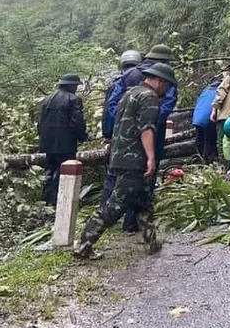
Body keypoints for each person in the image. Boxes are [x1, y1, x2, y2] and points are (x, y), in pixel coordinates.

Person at [73, 63, 177, 260]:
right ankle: (84, 245)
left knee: (143, 200)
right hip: (134, 159)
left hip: (120, 155)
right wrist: (151, 157)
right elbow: (147, 128)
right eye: (166, 86)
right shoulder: (149, 97)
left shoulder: (129, 94)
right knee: (115, 205)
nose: (166, 91)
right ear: (160, 81)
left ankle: (152, 242)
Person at [101, 44, 179, 232]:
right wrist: (149, 121)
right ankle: (130, 224)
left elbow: (112, 103)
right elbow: (166, 106)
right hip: (150, 137)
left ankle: (109, 218)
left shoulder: (128, 75)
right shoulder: (163, 79)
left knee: (114, 178)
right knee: (145, 178)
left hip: (121, 138)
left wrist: (121, 124)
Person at [37, 74, 87, 206]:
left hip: (48, 143)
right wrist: (83, 137)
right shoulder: (73, 99)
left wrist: (42, 139)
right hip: (66, 144)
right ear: (70, 85)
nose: (76, 88)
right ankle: (61, 203)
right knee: (65, 173)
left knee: (49, 172)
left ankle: (47, 202)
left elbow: (40, 122)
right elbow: (78, 121)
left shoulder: (47, 99)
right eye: (75, 85)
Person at [102, 50, 142, 136]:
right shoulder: (147, 79)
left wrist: (107, 133)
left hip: (120, 130)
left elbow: (108, 110)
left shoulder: (117, 84)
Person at [192, 77, 220, 163]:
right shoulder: (219, 92)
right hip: (209, 119)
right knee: (210, 141)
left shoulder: (205, 90)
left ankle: (198, 159)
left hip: (197, 119)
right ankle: (208, 161)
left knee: (200, 139)